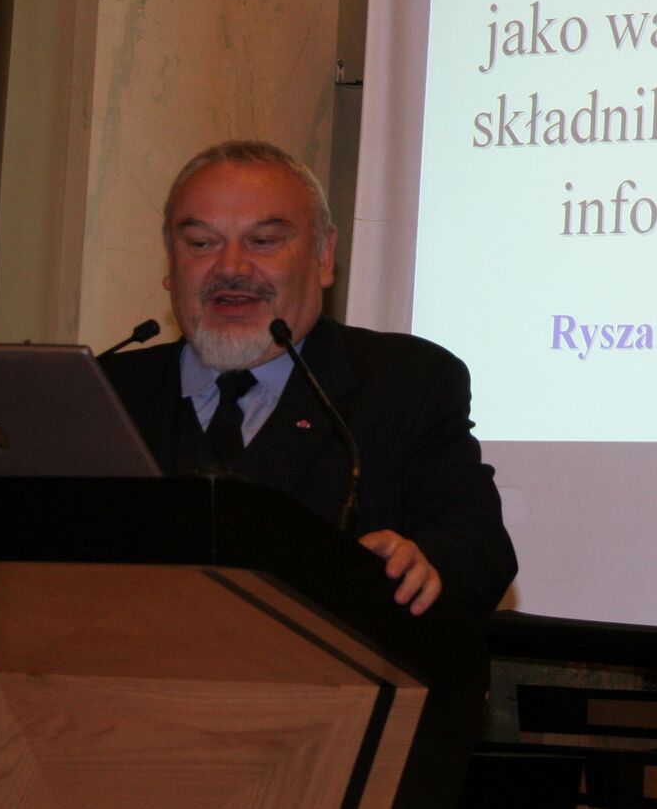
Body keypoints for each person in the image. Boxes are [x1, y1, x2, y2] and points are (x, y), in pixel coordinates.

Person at [97, 140, 516, 618]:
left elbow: (478, 548)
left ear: (323, 257)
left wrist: (426, 563)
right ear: (171, 264)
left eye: (263, 242)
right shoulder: (106, 394)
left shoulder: (406, 383)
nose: (230, 268)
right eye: (201, 244)